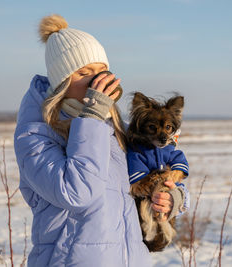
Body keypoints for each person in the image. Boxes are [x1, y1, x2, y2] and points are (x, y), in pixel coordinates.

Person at [13, 14, 189, 267]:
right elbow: (77, 194)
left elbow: (155, 168)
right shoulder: (36, 134)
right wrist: (92, 117)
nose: (95, 81)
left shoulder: (113, 127)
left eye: (101, 71)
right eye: (84, 73)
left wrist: (175, 198)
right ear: (61, 81)